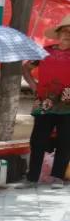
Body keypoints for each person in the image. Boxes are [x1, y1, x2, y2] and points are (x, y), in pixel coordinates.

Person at [21, 15, 70, 188]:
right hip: (44, 102)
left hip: (68, 105)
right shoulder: (45, 52)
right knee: (37, 140)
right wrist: (33, 85)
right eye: (64, 31)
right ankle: (32, 177)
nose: (68, 35)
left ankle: (57, 177)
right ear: (58, 34)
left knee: (66, 141)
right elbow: (26, 67)